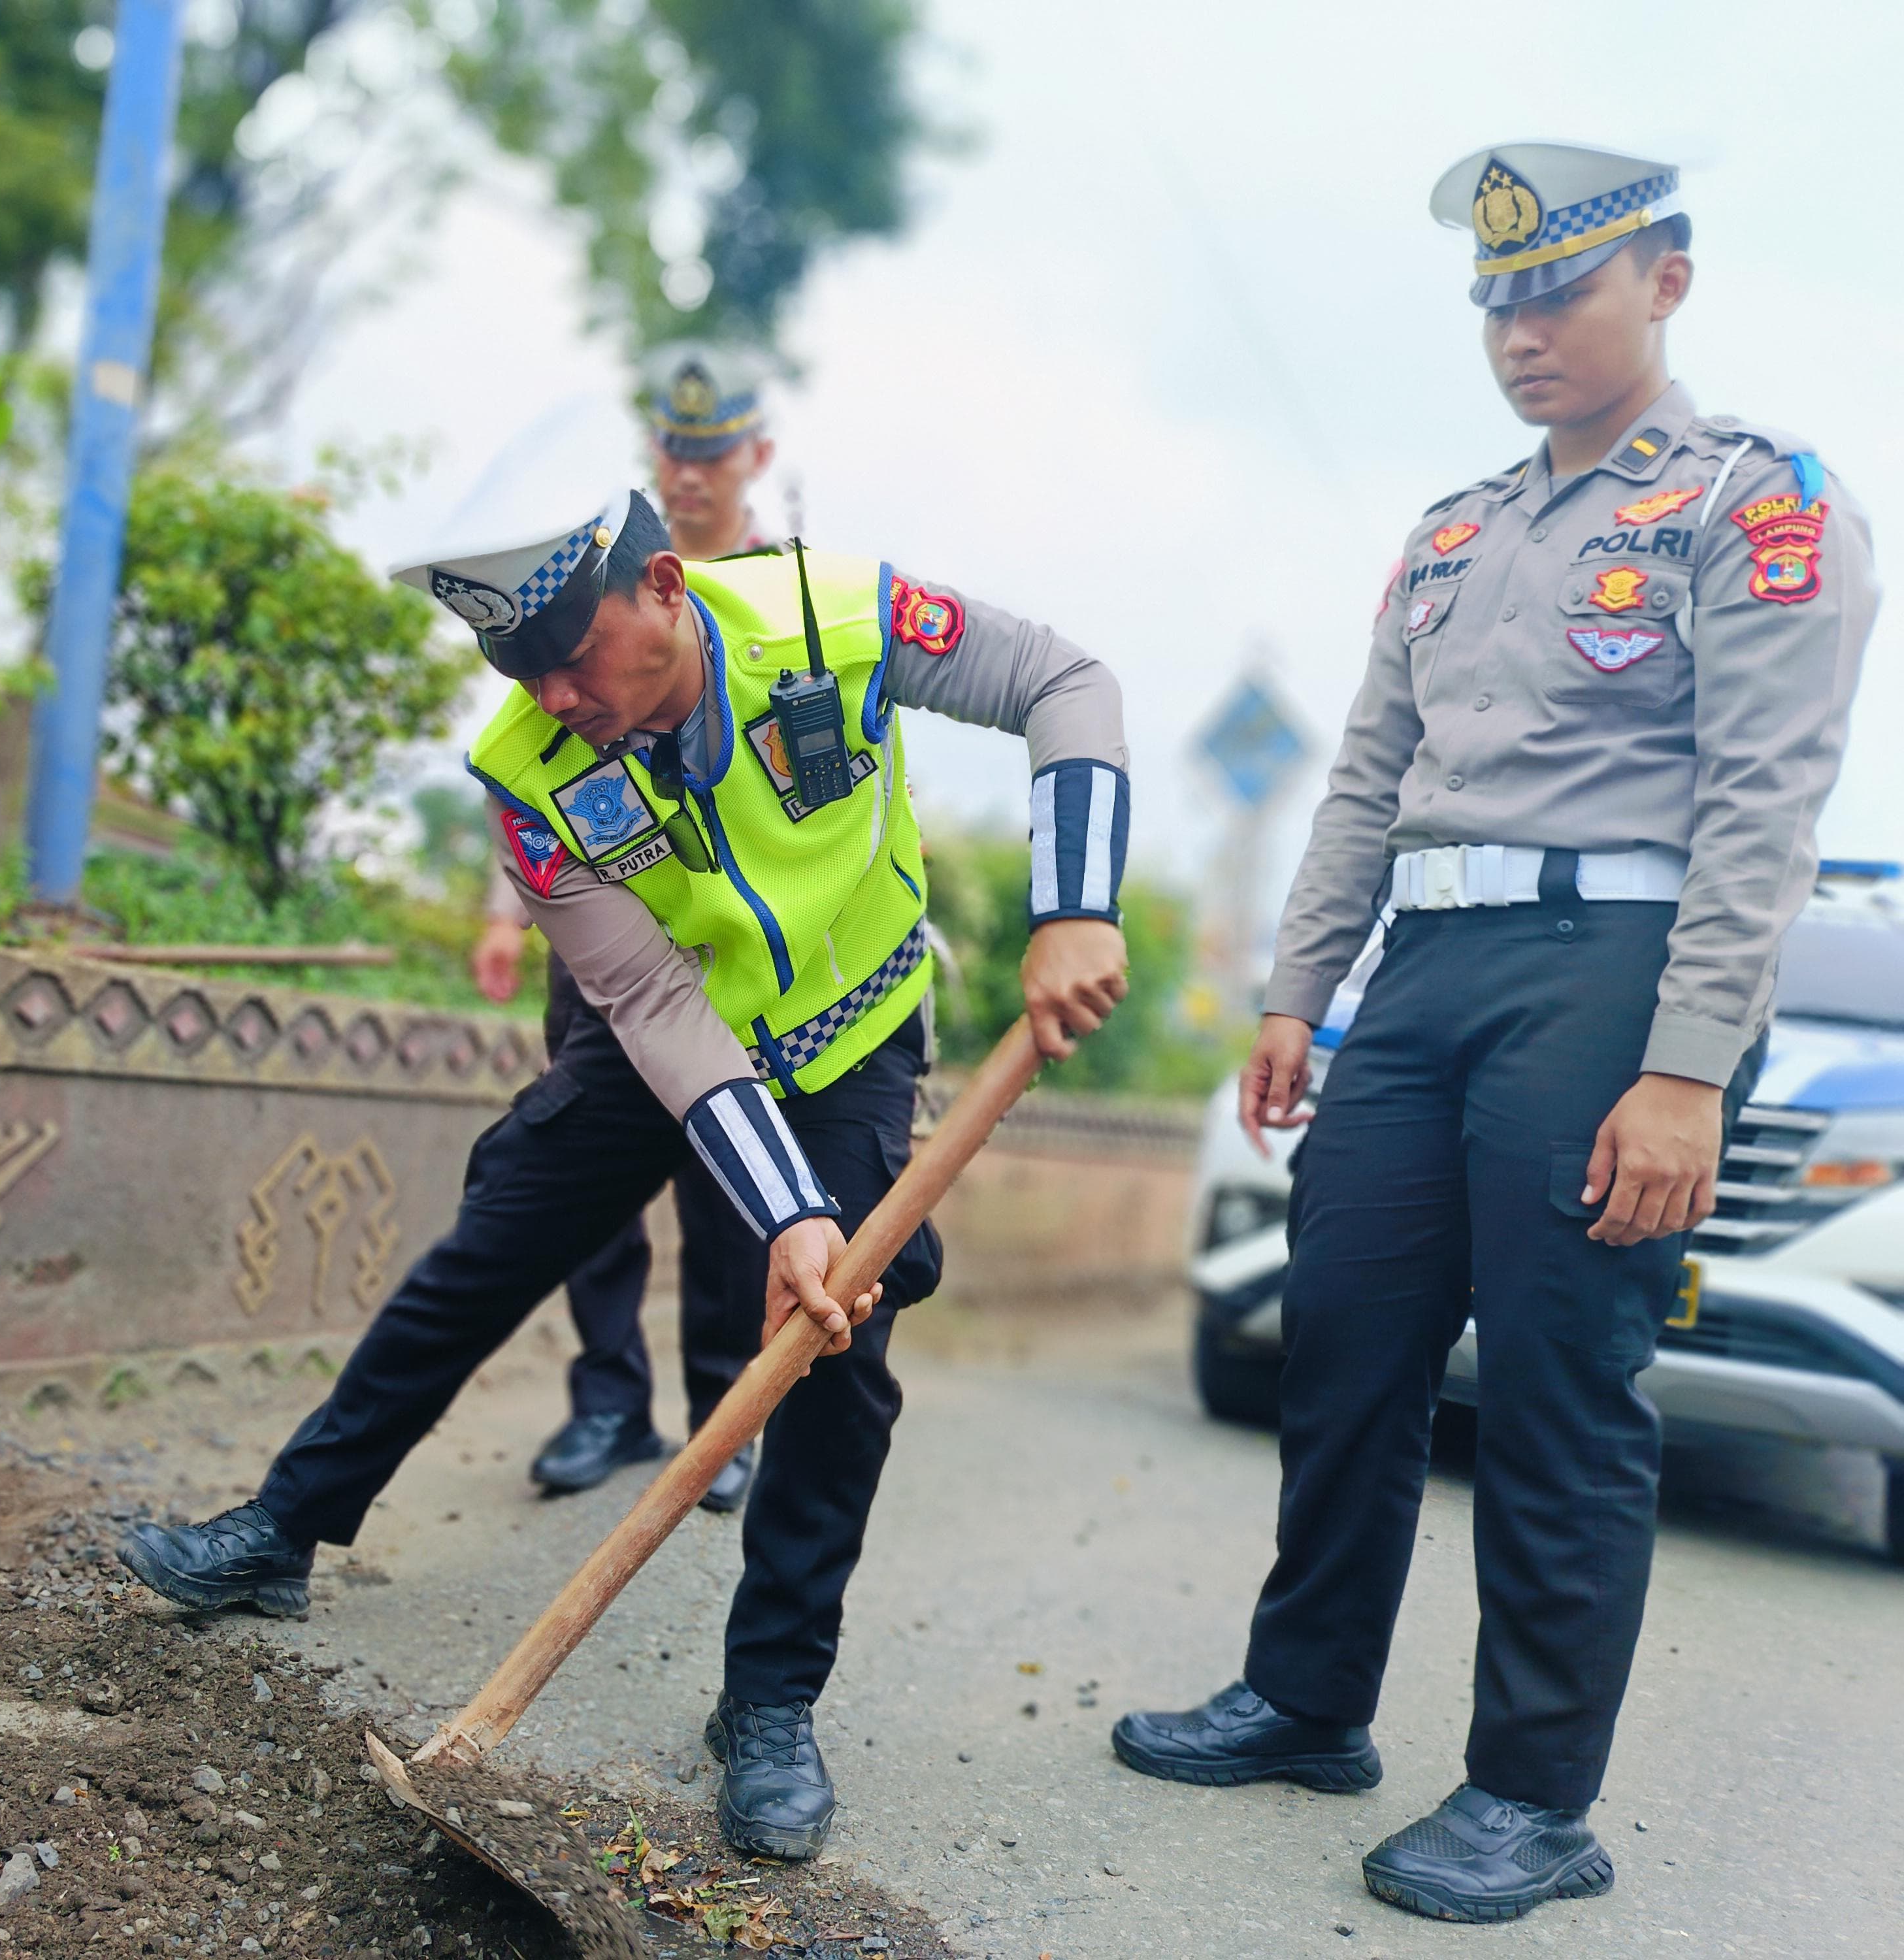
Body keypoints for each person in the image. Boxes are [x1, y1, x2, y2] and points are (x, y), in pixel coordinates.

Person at [120, 480, 1132, 1861]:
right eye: (515, 666)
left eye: (569, 652)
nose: (551, 691)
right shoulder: (527, 769)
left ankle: (768, 1700)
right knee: (489, 1248)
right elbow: (654, 1010)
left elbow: (1062, 680)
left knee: (841, 1346)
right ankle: (282, 1529)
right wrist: (783, 1211)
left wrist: (1073, 905)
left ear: (662, 585)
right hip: (669, 1031)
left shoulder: (828, 620)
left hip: (847, 1039)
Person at [1111, 142, 1875, 1924]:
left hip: (1615, 972)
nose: (1520, 331)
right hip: (1425, 976)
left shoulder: (1755, 504)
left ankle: (1534, 1798)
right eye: (1497, 301)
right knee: (1348, 1350)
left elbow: (1769, 801)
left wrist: (1688, 1068)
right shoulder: (1456, 529)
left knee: (1556, 1388)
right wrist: (1301, 989)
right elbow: (1370, 781)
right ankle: (1307, 1701)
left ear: (1665, 282)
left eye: (1559, 291)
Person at [468, 345, 783, 1510]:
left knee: (724, 1181)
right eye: (675, 450)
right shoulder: (577, 560)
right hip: (599, 925)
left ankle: (722, 1417)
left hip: (724, 949)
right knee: (585, 1170)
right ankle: (607, 1400)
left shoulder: (780, 588)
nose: (692, 473)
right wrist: (507, 911)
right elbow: (534, 761)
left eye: (713, 452)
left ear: (757, 454)